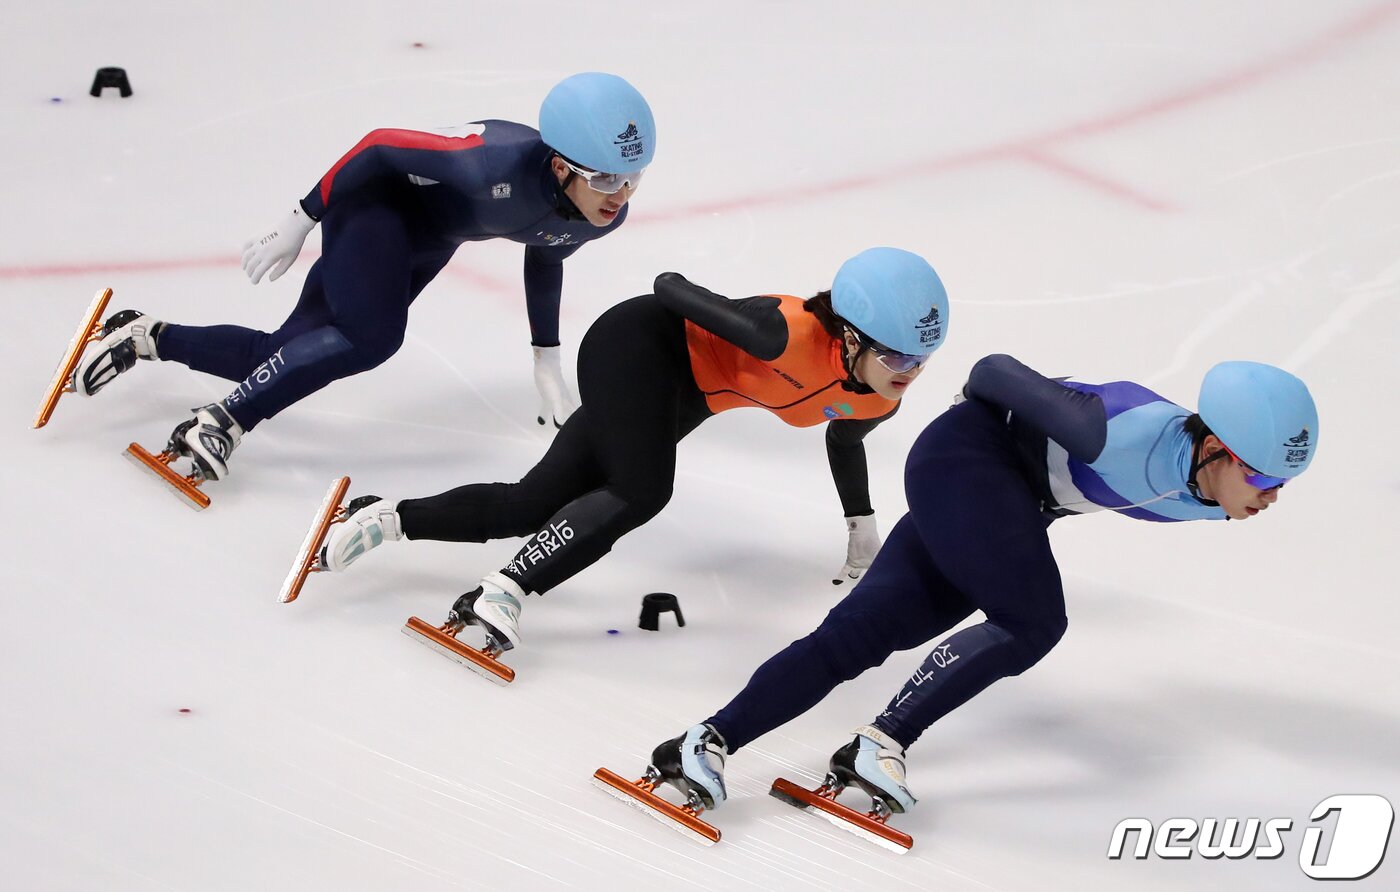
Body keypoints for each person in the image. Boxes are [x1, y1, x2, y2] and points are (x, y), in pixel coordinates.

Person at [640, 354, 1319, 821]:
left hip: (1006, 499)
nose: (1271, 497)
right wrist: (988, 407)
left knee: (865, 633)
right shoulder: (1116, 432)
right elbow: (994, 370)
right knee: (1033, 620)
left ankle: (703, 742)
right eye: (1262, 478)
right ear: (1217, 449)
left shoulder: (1212, 488)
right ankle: (881, 743)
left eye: (1281, 484)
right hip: (968, 461)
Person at [316, 247, 951, 658]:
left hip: (678, 400)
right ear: (846, 335)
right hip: (636, 347)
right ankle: (505, 589)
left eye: (922, 359)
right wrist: (731, 326)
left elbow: (842, 441)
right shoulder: (777, 332)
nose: (909, 373)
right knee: (643, 489)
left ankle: (384, 517)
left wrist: (860, 524)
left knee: (530, 504)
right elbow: (668, 284)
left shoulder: (876, 398)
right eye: (897, 355)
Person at [71, 71, 654, 482]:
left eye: (633, 178)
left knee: (284, 354)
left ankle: (145, 335)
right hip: (372, 207)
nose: (620, 196)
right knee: (371, 338)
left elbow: (546, 253)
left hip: (429, 240)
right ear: (560, 165)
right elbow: (378, 146)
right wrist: (300, 218)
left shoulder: (601, 215)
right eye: (606, 179)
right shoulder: (487, 159)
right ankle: (222, 421)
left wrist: (545, 354)